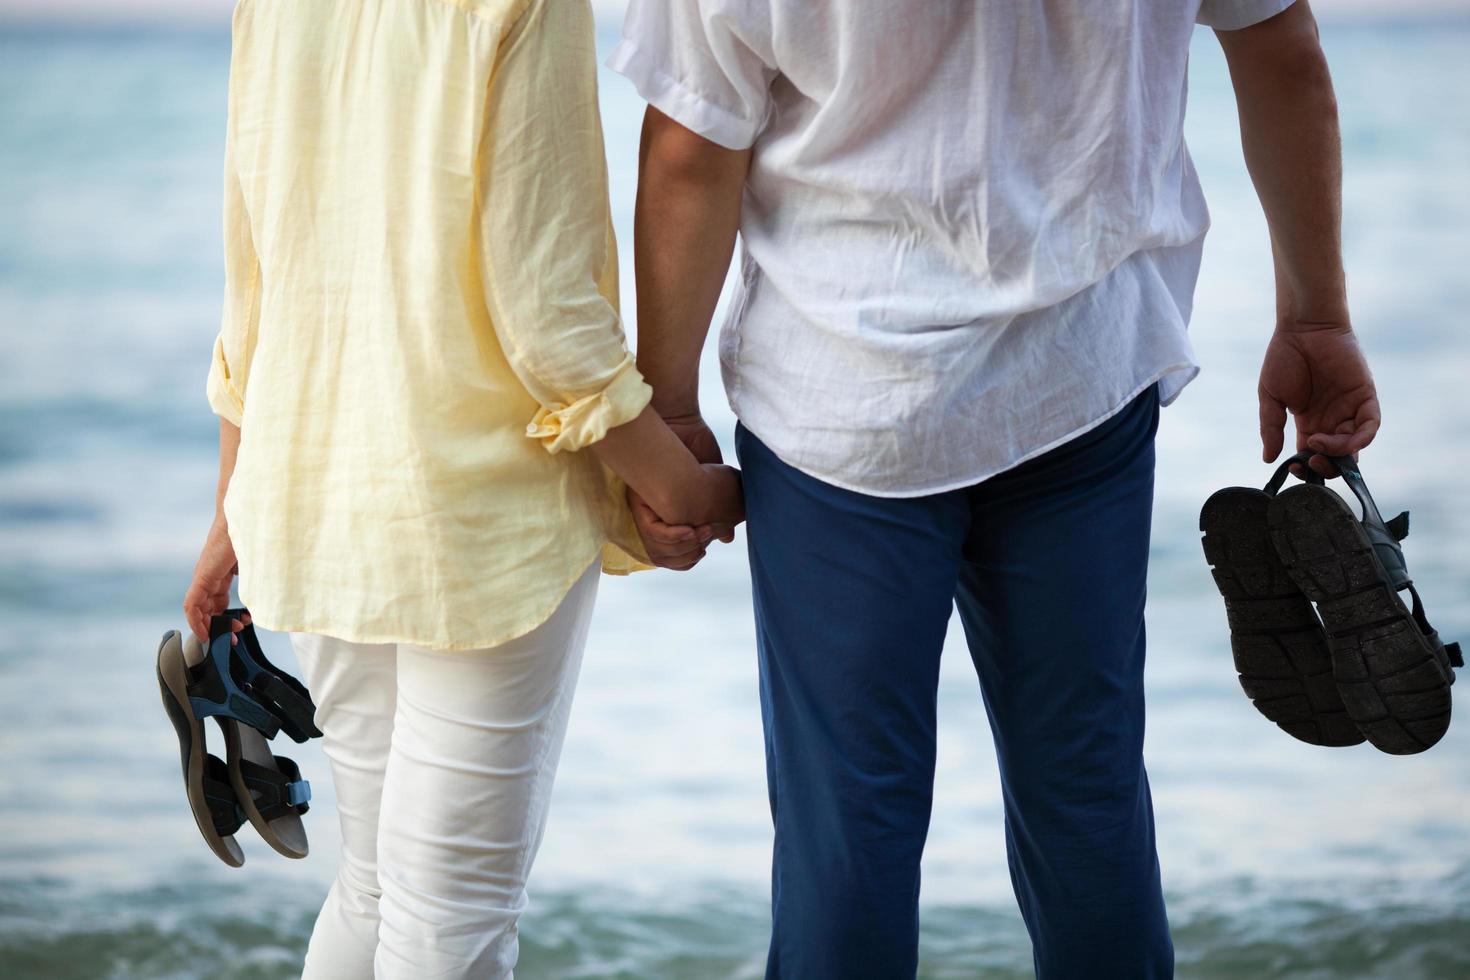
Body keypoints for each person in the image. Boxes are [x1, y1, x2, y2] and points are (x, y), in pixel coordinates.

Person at [612, 0, 1378, 976]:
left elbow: (691, 146)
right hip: (1078, 377)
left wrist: (669, 408)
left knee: (849, 818)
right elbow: (1280, 44)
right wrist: (1316, 316)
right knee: (1087, 793)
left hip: (845, 404)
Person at [181, 1, 741, 977]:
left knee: (377, 885)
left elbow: (251, 279)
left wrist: (234, 503)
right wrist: (680, 486)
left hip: (315, 499)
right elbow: (548, 316)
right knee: (452, 915)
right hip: (477, 523)